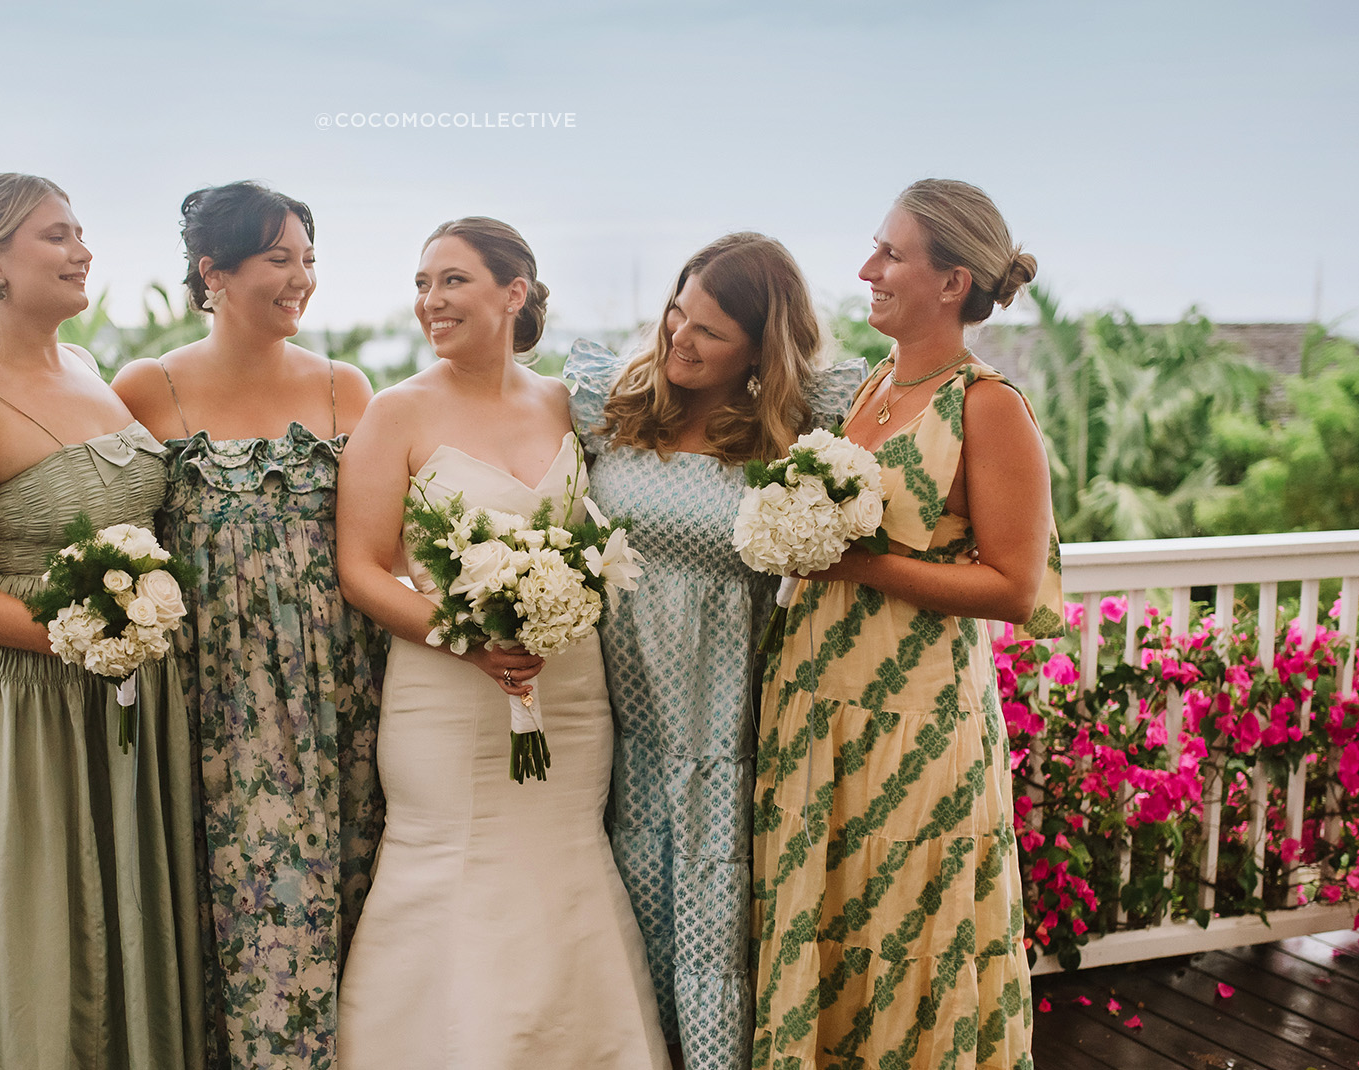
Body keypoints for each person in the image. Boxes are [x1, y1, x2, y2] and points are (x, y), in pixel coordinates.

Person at [334, 216, 669, 1069]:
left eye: (451, 281)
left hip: (569, 691)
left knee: (563, 865)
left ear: (513, 293)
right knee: (451, 869)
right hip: (446, 699)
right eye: (421, 285)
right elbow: (363, 571)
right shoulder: (395, 412)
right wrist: (465, 638)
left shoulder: (566, 401)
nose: (430, 302)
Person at [747, 179, 1063, 1069]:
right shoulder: (875, 384)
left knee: (906, 935)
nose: (867, 269)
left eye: (891, 254)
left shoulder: (989, 406)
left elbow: (1013, 584)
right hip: (818, 707)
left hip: (914, 726)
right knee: (830, 928)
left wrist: (846, 562)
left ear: (953, 281)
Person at [0, 173, 203, 1070]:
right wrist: (80, 636)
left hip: (122, 694)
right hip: (25, 705)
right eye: (58, 237)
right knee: (42, 935)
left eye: (81, 233)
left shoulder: (86, 370)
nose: (83, 253)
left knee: (122, 922)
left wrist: (129, 639)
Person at [566, 232, 865, 1069]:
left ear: (760, 351)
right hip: (614, 718)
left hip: (725, 727)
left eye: (709, 331)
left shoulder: (799, 433)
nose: (678, 338)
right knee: (622, 907)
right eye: (676, 311)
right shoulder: (608, 402)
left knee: (712, 919)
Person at [112, 181, 382, 1070]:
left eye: (308, 259)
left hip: (342, 687)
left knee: (352, 891)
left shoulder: (348, 388)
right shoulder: (147, 389)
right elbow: (111, 540)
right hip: (212, 693)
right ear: (213, 271)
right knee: (236, 903)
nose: (301, 277)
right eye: (279, 259)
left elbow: (384, 541)